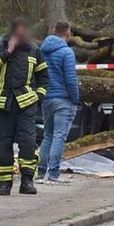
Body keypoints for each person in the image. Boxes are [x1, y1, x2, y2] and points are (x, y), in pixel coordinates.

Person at [0, 18, 47, 196]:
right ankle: (4, 183)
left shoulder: (34, 50)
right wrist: (7, 52)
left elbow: (43, 77)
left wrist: (38, 97)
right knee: (3, 145)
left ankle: (27, 181)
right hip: (2, 104)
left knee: (28, 143)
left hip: (26, 104)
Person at [36, 21, 80, 184]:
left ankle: (41, 173)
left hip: (47, 98)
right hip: (63, 99)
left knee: (47, 136)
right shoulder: (66, 52)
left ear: (54, 31)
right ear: (67, 34)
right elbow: (70, 79)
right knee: (59, 136)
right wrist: (75, 99)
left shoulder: (41, 50)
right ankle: (54, 174)